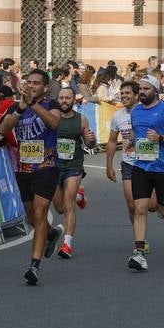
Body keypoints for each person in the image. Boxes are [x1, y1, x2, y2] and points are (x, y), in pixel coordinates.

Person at [0, 69, 62, 285]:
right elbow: (2, 129)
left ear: (44, 87)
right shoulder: (18, 106)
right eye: (29, 82)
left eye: (36, 83)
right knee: (31, 217)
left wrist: (33, 104)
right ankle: (51, 234)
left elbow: (54, 124)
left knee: (40, 210)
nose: (32, 86)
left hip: (47, 165)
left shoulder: (51, 104)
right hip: (24, 168)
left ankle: (33, 266)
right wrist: (20, 108)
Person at [127, 76, 164, 271]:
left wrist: (161, 137)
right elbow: (138, 134)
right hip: (142, 166)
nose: (142, 92)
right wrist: (131, 140)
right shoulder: (135, 112)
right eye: (140, 88)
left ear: (155, 90)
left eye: (145, 88)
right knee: (140, 208)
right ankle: (139, 252)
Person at [51, 86, 95, 258]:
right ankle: (79, 196)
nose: (63, 101)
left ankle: (67, 244)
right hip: (54, 166)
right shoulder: (51, 118)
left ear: (73, 100)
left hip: (73, 166)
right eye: (61, 97)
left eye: (67, 98)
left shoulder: (81, 119)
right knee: (60, 208)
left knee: (68, 204)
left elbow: (89, 144)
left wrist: (91, 141)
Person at [106, 80, 149, 250]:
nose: (123, 96)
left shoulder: (146, 112)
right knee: (132, 205)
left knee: (151, 206)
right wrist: (109, 165)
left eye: (127, 93)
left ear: (137, 96)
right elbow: (111, 141)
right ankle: (141, 241)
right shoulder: (118, 116)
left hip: (148, 163)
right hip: (129, 163)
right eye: (121, 93)